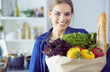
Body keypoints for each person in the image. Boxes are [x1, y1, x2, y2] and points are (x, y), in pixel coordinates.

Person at [29, 0, 110, 72]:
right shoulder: (40, 42)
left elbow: (104, 54)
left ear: (71, 15)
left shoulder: (82, 34)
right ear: (50, 14)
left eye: (67, 14)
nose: (62, 18)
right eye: (57, 13)